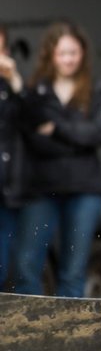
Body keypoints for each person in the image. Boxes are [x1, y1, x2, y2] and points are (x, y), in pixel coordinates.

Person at [13, 22, 101, 297]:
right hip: (42, 189)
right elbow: (33, 138)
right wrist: (77, 139)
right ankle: (31, 334)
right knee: (26, 265)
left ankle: (70, 338)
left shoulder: (95, 89)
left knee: (73, 270)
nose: (69, 59)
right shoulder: (37, 91)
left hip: (85, 190)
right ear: (51, 55)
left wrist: (57, 129)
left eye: (74, 52)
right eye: (62, 53)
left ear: (83, 54)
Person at [0, 24, 24, 288]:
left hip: (6, 191)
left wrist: (15, 80)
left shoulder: (12, 88)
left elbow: (35, 122)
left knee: (2, 266)